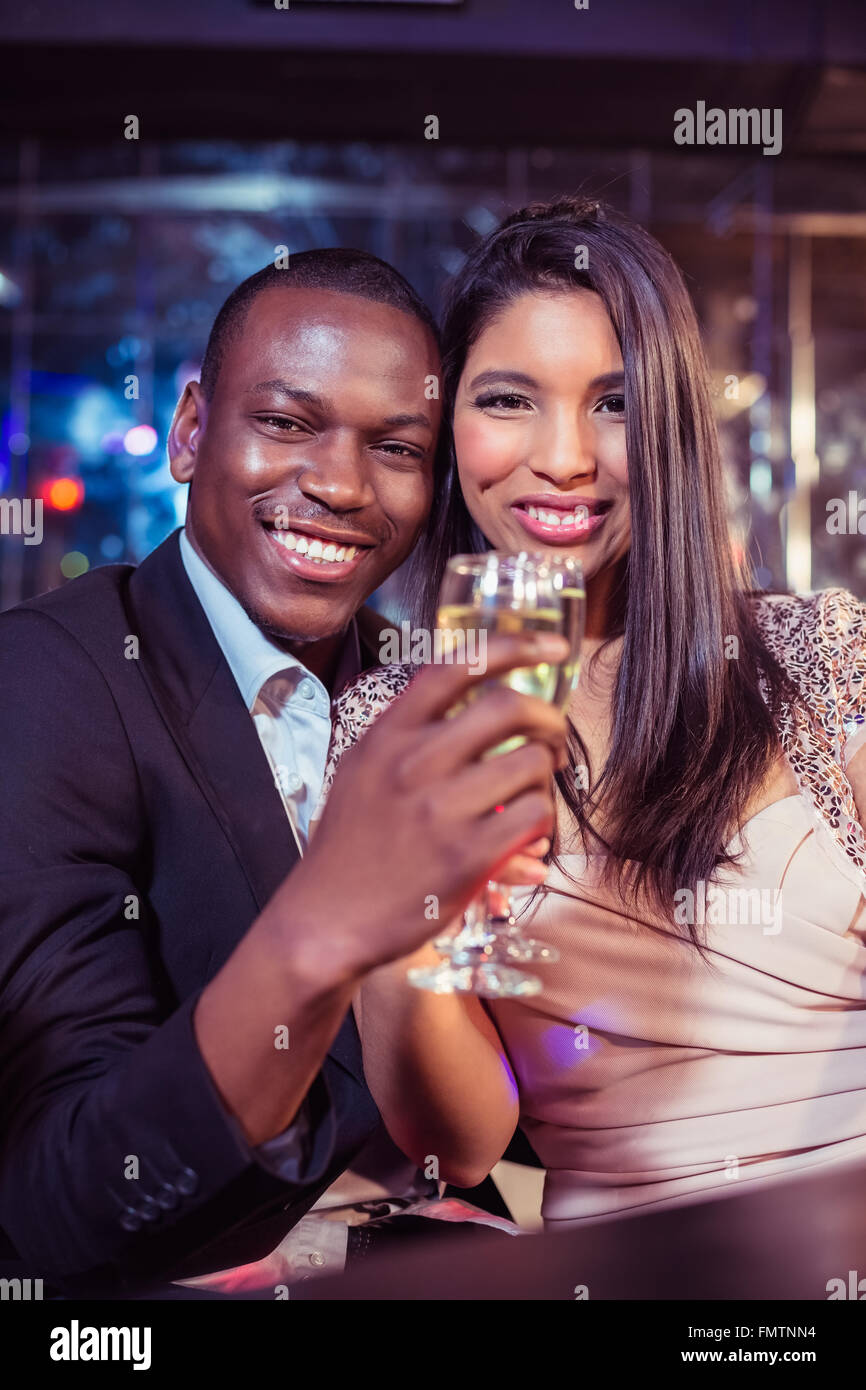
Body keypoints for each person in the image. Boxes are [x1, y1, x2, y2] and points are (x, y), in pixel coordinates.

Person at [0, 248, 568, 1295]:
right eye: (287, 423)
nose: (341, 484)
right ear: (188, 430)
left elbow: (487, 1132)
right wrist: (324, 924)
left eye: (395, 446)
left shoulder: (428, 695)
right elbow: (63, 1198)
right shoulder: (48, 678)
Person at [320, 198, 866, 1230]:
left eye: (613, 403)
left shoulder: (816, 655)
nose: (564, 458)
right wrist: (408, 924)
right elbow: (458, 1143)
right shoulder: (394, 725)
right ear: (448, 426)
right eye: (508, 400)